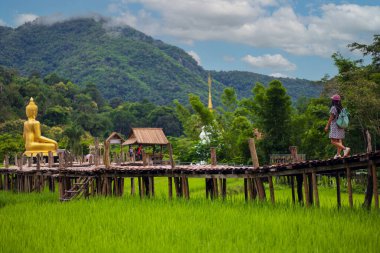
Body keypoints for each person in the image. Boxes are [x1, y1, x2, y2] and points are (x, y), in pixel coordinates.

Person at [324, 94, 350, 158]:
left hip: (335, 126)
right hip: (340, 126)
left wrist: (327, 126)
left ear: (333, 101)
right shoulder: (341, 108)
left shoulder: (333, 108)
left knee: (333, 141)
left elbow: (331, 117)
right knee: (339, 140)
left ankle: (345, 149)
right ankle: (338, 154)